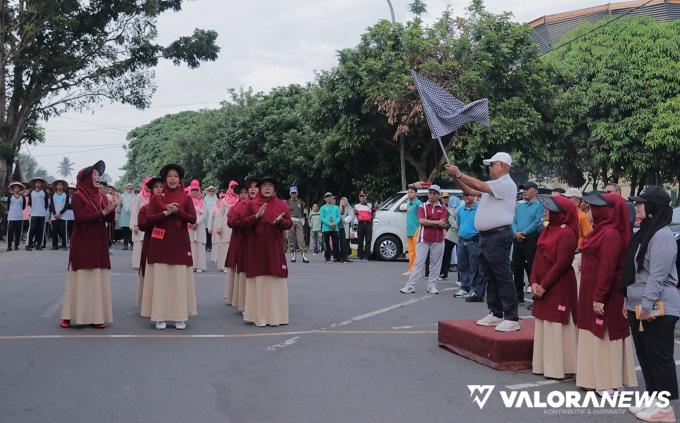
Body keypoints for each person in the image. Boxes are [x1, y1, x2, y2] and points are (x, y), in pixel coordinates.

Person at [445, 152, 520, 332]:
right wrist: (455, 177)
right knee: (490, 276)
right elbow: (471, 191)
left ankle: (511, 317)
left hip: (498, 235)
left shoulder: (506, 184)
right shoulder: (495, 185)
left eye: (493, 164)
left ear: (503, 165)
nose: (490, 167)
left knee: (502, 276)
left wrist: (459, 173)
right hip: (487, 237)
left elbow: (478, 185)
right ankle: (496, 313)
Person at [623, 186, 680, 421]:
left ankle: (665, 408)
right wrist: (628, 301)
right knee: (645, 355)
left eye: (640, 203)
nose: (636, 207)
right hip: (638, 304)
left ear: (653, 207)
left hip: (657, 306)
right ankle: (653, 399)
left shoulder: (662, 236)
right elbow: (634, 272)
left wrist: (646, 306)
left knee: (659, 356)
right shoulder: (645, 231)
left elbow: (657, 275)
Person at [576, 192, 637, 393]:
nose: (591, 210)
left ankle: (608, 383)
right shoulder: (600, 231)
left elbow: (608, 269)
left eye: (596, 206)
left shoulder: (611, 234)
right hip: (591, 292)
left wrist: (599, 297)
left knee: (605, 335)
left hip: (605, 295)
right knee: (591, 333)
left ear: (607, 211)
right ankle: (592, 379)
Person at [138, 164, 197, 330]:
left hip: (179, 243)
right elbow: (148, 220)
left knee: (178, 281)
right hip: (160, 245)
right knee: (161, 281)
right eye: (169, 176)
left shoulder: (186, 198)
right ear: (165, 179)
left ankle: (179, 317)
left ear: (180, 180)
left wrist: (177, 212)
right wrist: (165, 213)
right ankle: (160, 316)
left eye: (176, 176)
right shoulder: (157, 198)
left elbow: (192, 219)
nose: (172, 179)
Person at [60, 160, 115, 329]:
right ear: (84, 178)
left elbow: (109, 219)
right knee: (81, 277)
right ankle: (69, 315)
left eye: (98, 175)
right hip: (83, 241)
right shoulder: (77, 196)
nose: (97, 177)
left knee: (96, 277)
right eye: (93, 175)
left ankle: (97, 315)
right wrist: (103, 212)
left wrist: (111, 210)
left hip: (98, 240)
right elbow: (81, 218)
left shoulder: (101, 196)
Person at [530, 195, 579, 380]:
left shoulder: (567, 233)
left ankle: (562, 367)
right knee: (544, 323)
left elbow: (562, 264)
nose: (547, 212)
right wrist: (533, 281)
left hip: (559, 285)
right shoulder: (547, 229)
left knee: (558, 322)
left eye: (552, 210)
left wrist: (544, 285)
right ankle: (543, 365)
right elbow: (537, 257)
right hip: (541, 284)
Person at [242, 176, 293, 326]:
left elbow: (289, 224)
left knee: (275, 278)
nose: (267, 188)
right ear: (259, 188)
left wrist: (281, 222)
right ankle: (258, 317)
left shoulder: (282, 205)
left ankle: (277, 316)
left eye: (270, 185)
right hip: (256, 248)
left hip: (274, 248)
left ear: (274, 188)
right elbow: (243, 223)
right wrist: (256, 216)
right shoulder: (252, 205)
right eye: (264, 185)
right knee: (259, 278)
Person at [400, 185, 447, 295]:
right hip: (423, 237)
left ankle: (432, 286)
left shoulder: (443, 208)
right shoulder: (422, 206)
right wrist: (436, 223)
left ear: (438, 195)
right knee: (418, 263)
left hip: (438, 239)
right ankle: (410, 285)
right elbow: (422, 221)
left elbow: (443, 223)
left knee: (435, 264)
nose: (432, 195)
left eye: (434, 193)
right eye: (430, 193)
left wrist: (430, 222)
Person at [226, 176, 260, 312]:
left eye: (255, 186)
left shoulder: (265, 203)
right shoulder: (242, 204)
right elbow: (231, 221)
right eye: (250, 187)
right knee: (245, 272)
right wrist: (247, 222)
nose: (252, 189)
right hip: (243, 241)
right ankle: (245, 303)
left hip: (260, 244)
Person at [512, 182, 544, 303]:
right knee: (517, 268)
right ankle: (518, 296)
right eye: (523, 189)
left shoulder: (539, 206)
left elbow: (537, 222)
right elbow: (513, 221)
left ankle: (536, 297)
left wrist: (524, 232)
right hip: (518, 239)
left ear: (535, 191)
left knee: (532, 268)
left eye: (527, 189)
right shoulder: (520, 206)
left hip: (531, 238)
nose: (524, 191)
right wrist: (516, 233)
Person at [135, 177, 164, 308]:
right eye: (156, 186)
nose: (159, 189)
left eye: (161, 186)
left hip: (167, 244)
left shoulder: (172, 205)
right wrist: (161, 215)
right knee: (149, 269)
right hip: (150, 241)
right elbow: (142, 225)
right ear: (151, 189)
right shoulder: (145, 208)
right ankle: (147, 302)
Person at [562, 188, 593, 291]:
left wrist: (584, 258)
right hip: (566, 254)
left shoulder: (583, 217)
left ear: (577, 201)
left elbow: (589, 238)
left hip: (577, 254)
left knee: (575, 286)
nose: (565, 200)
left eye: (568, 198)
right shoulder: (565, 215)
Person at [456, 193, 484, 302]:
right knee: (462, 265)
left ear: (474, 196)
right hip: (462, 240)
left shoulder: (479, 209)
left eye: (468, 195)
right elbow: (459, 224)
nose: (466, 197)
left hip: (474, 241)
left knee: (475, 267)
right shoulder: (460, 210)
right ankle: (464, 287)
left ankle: (475, 289)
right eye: (464, 195)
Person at [224, 183, 249, 305]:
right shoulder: (235, 207)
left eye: (246, 193)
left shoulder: (254, 206)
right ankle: (233, 296)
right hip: (237, 238)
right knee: (236, 266)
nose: (244, 195)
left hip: (249, 239)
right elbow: (230, 221)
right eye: (242, 193)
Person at [214, 182, 239, 272]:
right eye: (232, 187)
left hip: (236, 224)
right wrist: (219, 226)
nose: (233, 189)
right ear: (229, 188)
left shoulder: (239, 199)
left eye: (235, 187)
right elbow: (220, 214)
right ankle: (224, 265)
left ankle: (234, 265)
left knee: (236, 244)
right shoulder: (224, 200)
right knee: (225, 245)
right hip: (225, 225)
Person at [130, 177, 152, 269]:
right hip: (140, 223)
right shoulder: (139, 197)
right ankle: (137, 263)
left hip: (150, 224)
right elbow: (134, 212)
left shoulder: (154, 196)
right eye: (147, 184)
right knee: (139, 243)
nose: (148, 186)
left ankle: (147, 262)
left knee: (149, 243)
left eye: (150, 185)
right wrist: (135, 225)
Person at [188, 179, 207, 273]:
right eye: (193, 190)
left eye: (196, 190)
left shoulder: (202, 201)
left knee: (200, 245)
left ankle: (200, 266)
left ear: (199, 190)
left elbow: (204, 214)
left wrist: (196, 223)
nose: (194, 192)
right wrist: (190, 223)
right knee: (191, 245)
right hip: (190, 227)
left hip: (199, 227)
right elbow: (184, 213)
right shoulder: (187, 201)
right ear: (190, 190)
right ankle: (192, 265)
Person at [439, 191, 458, 280]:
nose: (446, 199)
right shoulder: (442, 208)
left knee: (457, 255)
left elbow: (452, 223)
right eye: (444, 198)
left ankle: (460, 278)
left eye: (447, 198)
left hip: (453, 234)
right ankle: (443, 273)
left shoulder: (454, 209)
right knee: (446, 254)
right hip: (447, 233)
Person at [404, 185, 422, 276]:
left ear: (416, 193)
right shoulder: (408, 203)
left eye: (411, 192)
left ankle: (417, 271)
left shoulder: (419, 203)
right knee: (411, 252)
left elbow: (421, 217)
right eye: (408, 192)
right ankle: (411, 269)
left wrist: (419, 228)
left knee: (417, 252)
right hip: (409, 230)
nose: (409, 194)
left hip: (416, 230)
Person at [287, 185, 309, 263]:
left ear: (297, 193)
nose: (293, 194)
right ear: (290, 193)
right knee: (291, 238)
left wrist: (303, 218)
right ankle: (293, 255)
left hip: (299, 221)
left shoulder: (301, 202)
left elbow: (303, 211)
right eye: (292, 193)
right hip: (291, 221)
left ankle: (304, 255)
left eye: (295, 193)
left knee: (301, 238)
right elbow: (286, 212)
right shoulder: (288, 202)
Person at [26, 177, 49, 251]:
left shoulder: (44, 192)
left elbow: (46, 203)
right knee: (31, 229)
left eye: (39, 182)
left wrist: (43, 210)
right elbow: (29, 203)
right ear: (34, 184)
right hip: (33, 214)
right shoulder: (31, 192)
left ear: (41, 184)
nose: (38, 184)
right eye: (36, 182)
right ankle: (29, 245)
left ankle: (39, 245)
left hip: (42, 214)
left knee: (41, 230)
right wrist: (33, 210)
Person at [320, 192, 342, 263]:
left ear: (332, 198)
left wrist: (335, 223)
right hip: (326, 228)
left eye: (330, 197)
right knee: (326, 243)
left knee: (336, 243)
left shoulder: (336, 207)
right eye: (327, 197)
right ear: (325, 199)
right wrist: (330, 224)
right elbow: (322, 218)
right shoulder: (322, 207)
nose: (329, 198)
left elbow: (339, 217)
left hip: (335, 227)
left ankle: (336, 257)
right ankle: (327, 257)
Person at [49, 180, 70, 250]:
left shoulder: (66, 195)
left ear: (63, 186)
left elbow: (66, 205)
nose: (59, 186)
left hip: (63, 215)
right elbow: (51, 204)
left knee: (63, 230)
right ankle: (55, 245)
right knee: (54, 231)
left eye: (61, 185)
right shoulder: (53, 194)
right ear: (56, 186)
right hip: (54, 215)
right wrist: (54, 213)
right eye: (58, 185)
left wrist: (60, 213)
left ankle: (64, 245)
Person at [354, 191, 375, 262]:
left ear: (366, 197)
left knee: (368, 240)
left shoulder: (370, 205)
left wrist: (371, 221)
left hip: (368, 224)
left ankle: (366, 257)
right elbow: (356, 215)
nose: (361, 197)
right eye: (360, 196)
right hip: (360, 224)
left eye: (363, 196)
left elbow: (373, 213)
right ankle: (359, 256)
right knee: (360, 241)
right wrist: (360, 220)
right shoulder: (357, 206)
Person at [6, 182, 26, 251]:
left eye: (18, 187)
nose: (17, 189)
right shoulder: (10, 196)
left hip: (19, 216)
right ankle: (9, 246)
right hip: (11, 216)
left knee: (18, 231)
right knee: (10, 231)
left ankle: (16, 245)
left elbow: (23, 207)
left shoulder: (22, 197)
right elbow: (8, 206)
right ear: (13, 188)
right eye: (15, 187)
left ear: (20, 189)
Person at [118, 183, 136, 250]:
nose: (129, 190)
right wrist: (118, 215)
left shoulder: (135, 196)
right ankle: (125, 245)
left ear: (133, 189)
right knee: (124, 231)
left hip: (131, 215)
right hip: (124, 215)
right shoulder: (122, 196)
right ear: (125, 189)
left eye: (131, 188)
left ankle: (132, 245)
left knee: (131, 231)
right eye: (127, 188)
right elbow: (119, 206)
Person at [203, 186, 218, 253]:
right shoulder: (204, 200)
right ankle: (207, 246)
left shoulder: (217, 200)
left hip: (214, 218)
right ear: (207, 192)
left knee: (214, 232)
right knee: (207, 232)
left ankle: (213, 245)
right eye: (209, 191)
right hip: (206, 218)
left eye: (212, 191)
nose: (211, 192)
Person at [339, 196, 354, 262]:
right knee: (341, 243)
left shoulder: (349, 208)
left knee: (346, 243)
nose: (343, 202)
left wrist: (344, 221)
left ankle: (346, 257)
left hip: (347, 227)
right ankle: (341, 257)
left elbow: (351, 216)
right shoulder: (338, 208)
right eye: (342, 201)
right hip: (339, 227)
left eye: (344, 201)